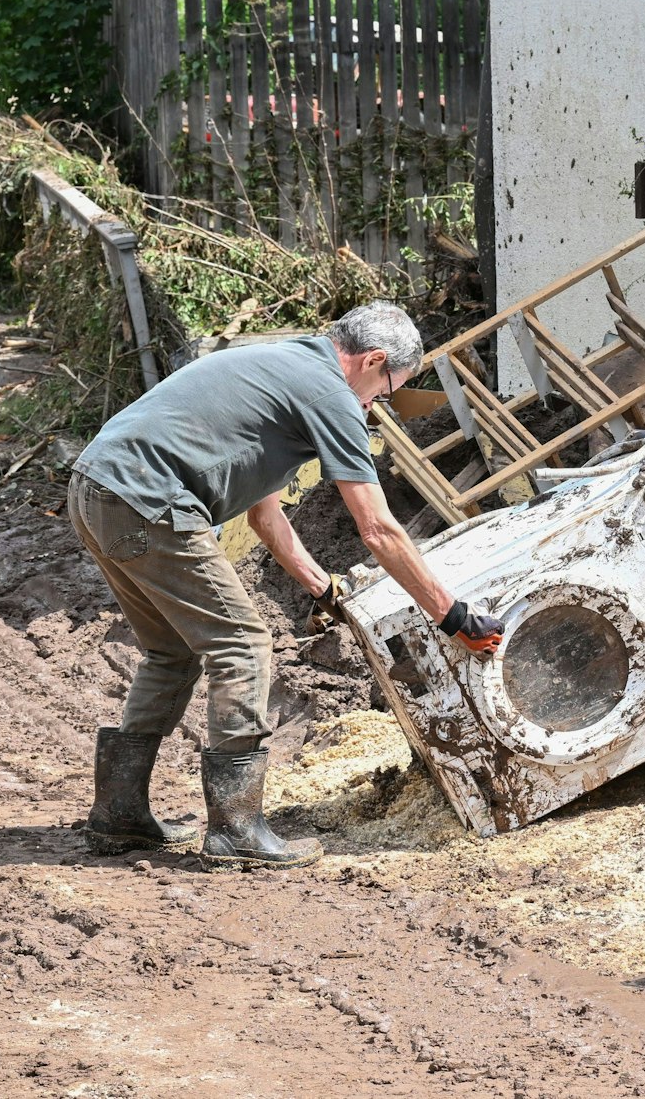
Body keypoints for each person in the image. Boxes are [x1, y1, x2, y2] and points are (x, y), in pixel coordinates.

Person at [68, 302, 504, 871]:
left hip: (97, 489)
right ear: (373, 361)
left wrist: (324, 589)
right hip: (147, 500)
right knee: (243, 645)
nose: (379, 403)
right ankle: (236, 830)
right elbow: (377, 529)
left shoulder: (283, 367)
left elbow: (265, 517)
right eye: (389, 389)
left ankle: (119, 814)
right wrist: (452, 616)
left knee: (172, 653)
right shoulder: (331, 395)